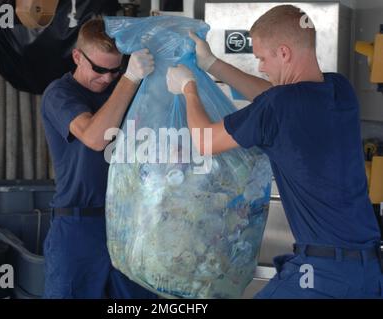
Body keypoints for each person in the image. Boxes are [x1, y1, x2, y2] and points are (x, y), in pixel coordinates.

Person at [166, 5, 383, 298]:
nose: (261, 67)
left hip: (324, 274)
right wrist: (212, 64)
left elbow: (206, 141)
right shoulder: (339, 90)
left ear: (284, 53)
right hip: (367, 271)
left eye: (262, 58)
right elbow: (272, 96)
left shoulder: (279, 106)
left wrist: (188, 88)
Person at [41, 17, 157, 299]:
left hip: (129, 225)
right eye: (99, 69)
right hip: (78, 227)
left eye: (114, 71)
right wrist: (129, 79)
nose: (106, 78)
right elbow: (95, 138)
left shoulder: (124, 89)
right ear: (78, 56)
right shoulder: (59, 94)